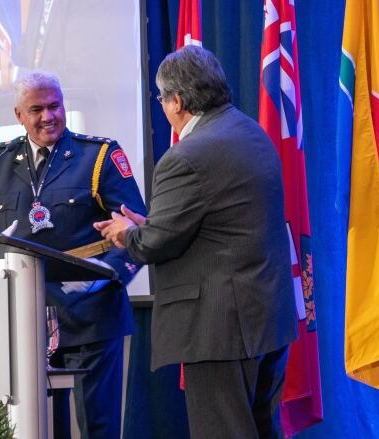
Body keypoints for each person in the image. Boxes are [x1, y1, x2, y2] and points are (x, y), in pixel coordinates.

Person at [95, 46, 298, 438]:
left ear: (177, 101)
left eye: (161, 99)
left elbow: (155, 244)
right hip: (265, 318)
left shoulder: (186, 156)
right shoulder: (248, 131)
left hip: (220, 330)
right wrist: (151, 225)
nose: (163, 107)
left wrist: (127, 233)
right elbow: (215, 222)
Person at [0, 71, 146, 438]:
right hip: (19, 318)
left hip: (90, 314)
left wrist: (99, 275)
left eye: (55, 106)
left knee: (98, 427)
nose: (48, 116)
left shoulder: (100, 156)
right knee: (15, 426)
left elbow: (138, 230)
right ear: (18, 115)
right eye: (37, 109)